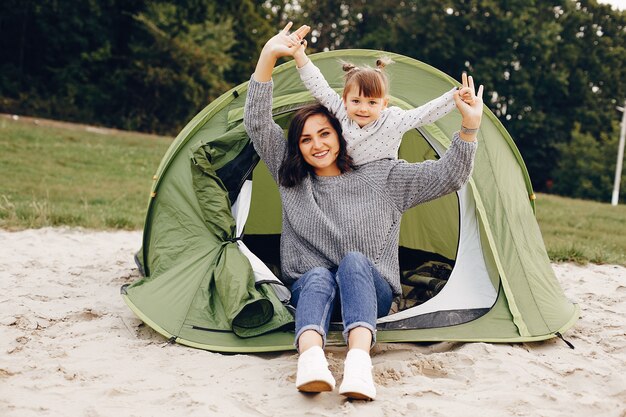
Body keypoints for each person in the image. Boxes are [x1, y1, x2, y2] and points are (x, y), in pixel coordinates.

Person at [243, 22, 483, 401]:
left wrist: (468, 127)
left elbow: (449, 175)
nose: (317, 145)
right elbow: (257, 123)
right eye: (306, 139)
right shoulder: (291, 177)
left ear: (340, 133)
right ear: (297, 148)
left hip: (372, 289)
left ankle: (358, 364)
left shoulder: (385, 177)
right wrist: (268, 56)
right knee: (319, 276)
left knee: (354, 263)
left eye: (324, 134)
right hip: (311, 288)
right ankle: (310, 360)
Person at [290, 25, 475, 166]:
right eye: (356, 101)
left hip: (383, 177)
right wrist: (300, 55)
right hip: (347, 176)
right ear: (345, 100)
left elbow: (424, 114)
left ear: (384, 104)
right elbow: (319, 87)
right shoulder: (340, 112)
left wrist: (455, 97)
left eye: (372, 102)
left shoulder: (393, 120)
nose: (363, 108)